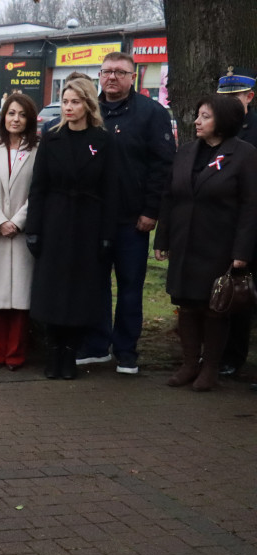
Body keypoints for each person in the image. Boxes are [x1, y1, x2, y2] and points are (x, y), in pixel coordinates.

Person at [77, 51, 175, 374]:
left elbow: (163, 166)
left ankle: (127, 351)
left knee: (131, 287)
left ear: (133, 77)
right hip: (93, 218)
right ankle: (96, 345)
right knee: (94, 285)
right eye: (106, 72)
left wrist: (151, 210)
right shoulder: (90, 112)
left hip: (133, 220)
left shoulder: (150, 113)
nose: (112, 78)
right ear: (99, 76)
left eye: (120, 72)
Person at [154, 94, 257, 391]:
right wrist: (162, 237)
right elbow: (170, 197)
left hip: (219, 245)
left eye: (205, 116)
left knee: (214, 307)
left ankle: (210, 367)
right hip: (185, 242)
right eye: (198, 115)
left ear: (223, 121)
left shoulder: (245, 154)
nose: (197, 121)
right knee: (185, 304)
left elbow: (251, 206)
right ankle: (189, 364)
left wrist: (241, 252)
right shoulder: (186, 152)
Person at [24, 78, 119, 380]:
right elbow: (38, 187)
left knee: (80, 291)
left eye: (75, 102)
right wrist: (34, 229)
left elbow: (111, 190)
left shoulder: (103, 141)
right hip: (55, 222)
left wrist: (106, 235)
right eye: (65, 102)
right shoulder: (51, 138)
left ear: (88, 104)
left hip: (88, 224)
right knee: (52, 289)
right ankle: (54, 350)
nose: (68, 107)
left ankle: (71, 351)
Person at [0, 93, 40, 371]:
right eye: (11, 113)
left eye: (22, 114)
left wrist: (18, 221)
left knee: (20, 298)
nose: (15, 119)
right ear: (3, 117)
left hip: (22, 231)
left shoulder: (38, 149)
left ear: (30, 119)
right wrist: (0, 220)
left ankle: (15, 354)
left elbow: (38, 190)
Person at [214, 67, 257, 377]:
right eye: (222, 98)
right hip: (220, 222)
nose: (227, 104)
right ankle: (221, 354)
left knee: (245, 292)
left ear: (249, 98)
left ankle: (238, 357)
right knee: (222, 292)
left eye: (234, 98)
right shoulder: (215, 130)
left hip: (250, 221)